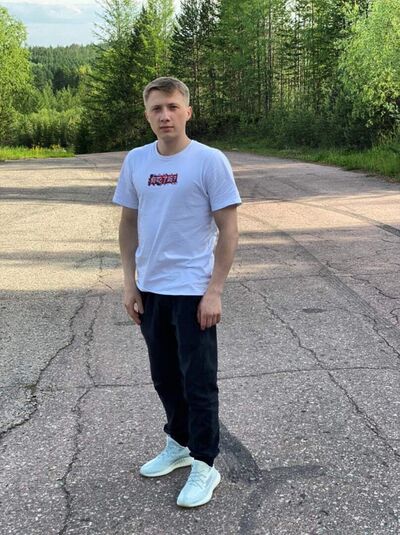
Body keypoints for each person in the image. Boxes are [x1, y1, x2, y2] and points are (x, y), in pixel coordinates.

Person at [113, 76, 241, 508]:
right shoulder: (136, 160)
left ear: (187, 111)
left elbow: (228, 229)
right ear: (147, 115)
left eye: (172, 107)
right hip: (151, 290)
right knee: (165, 377)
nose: (164, 115)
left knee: (198, 381)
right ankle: (179, 443)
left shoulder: (209, 161)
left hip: (192, 292)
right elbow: (128, 224)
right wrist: (130, 282)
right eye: (156, 108)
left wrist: (214, 290)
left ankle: (205, 463)